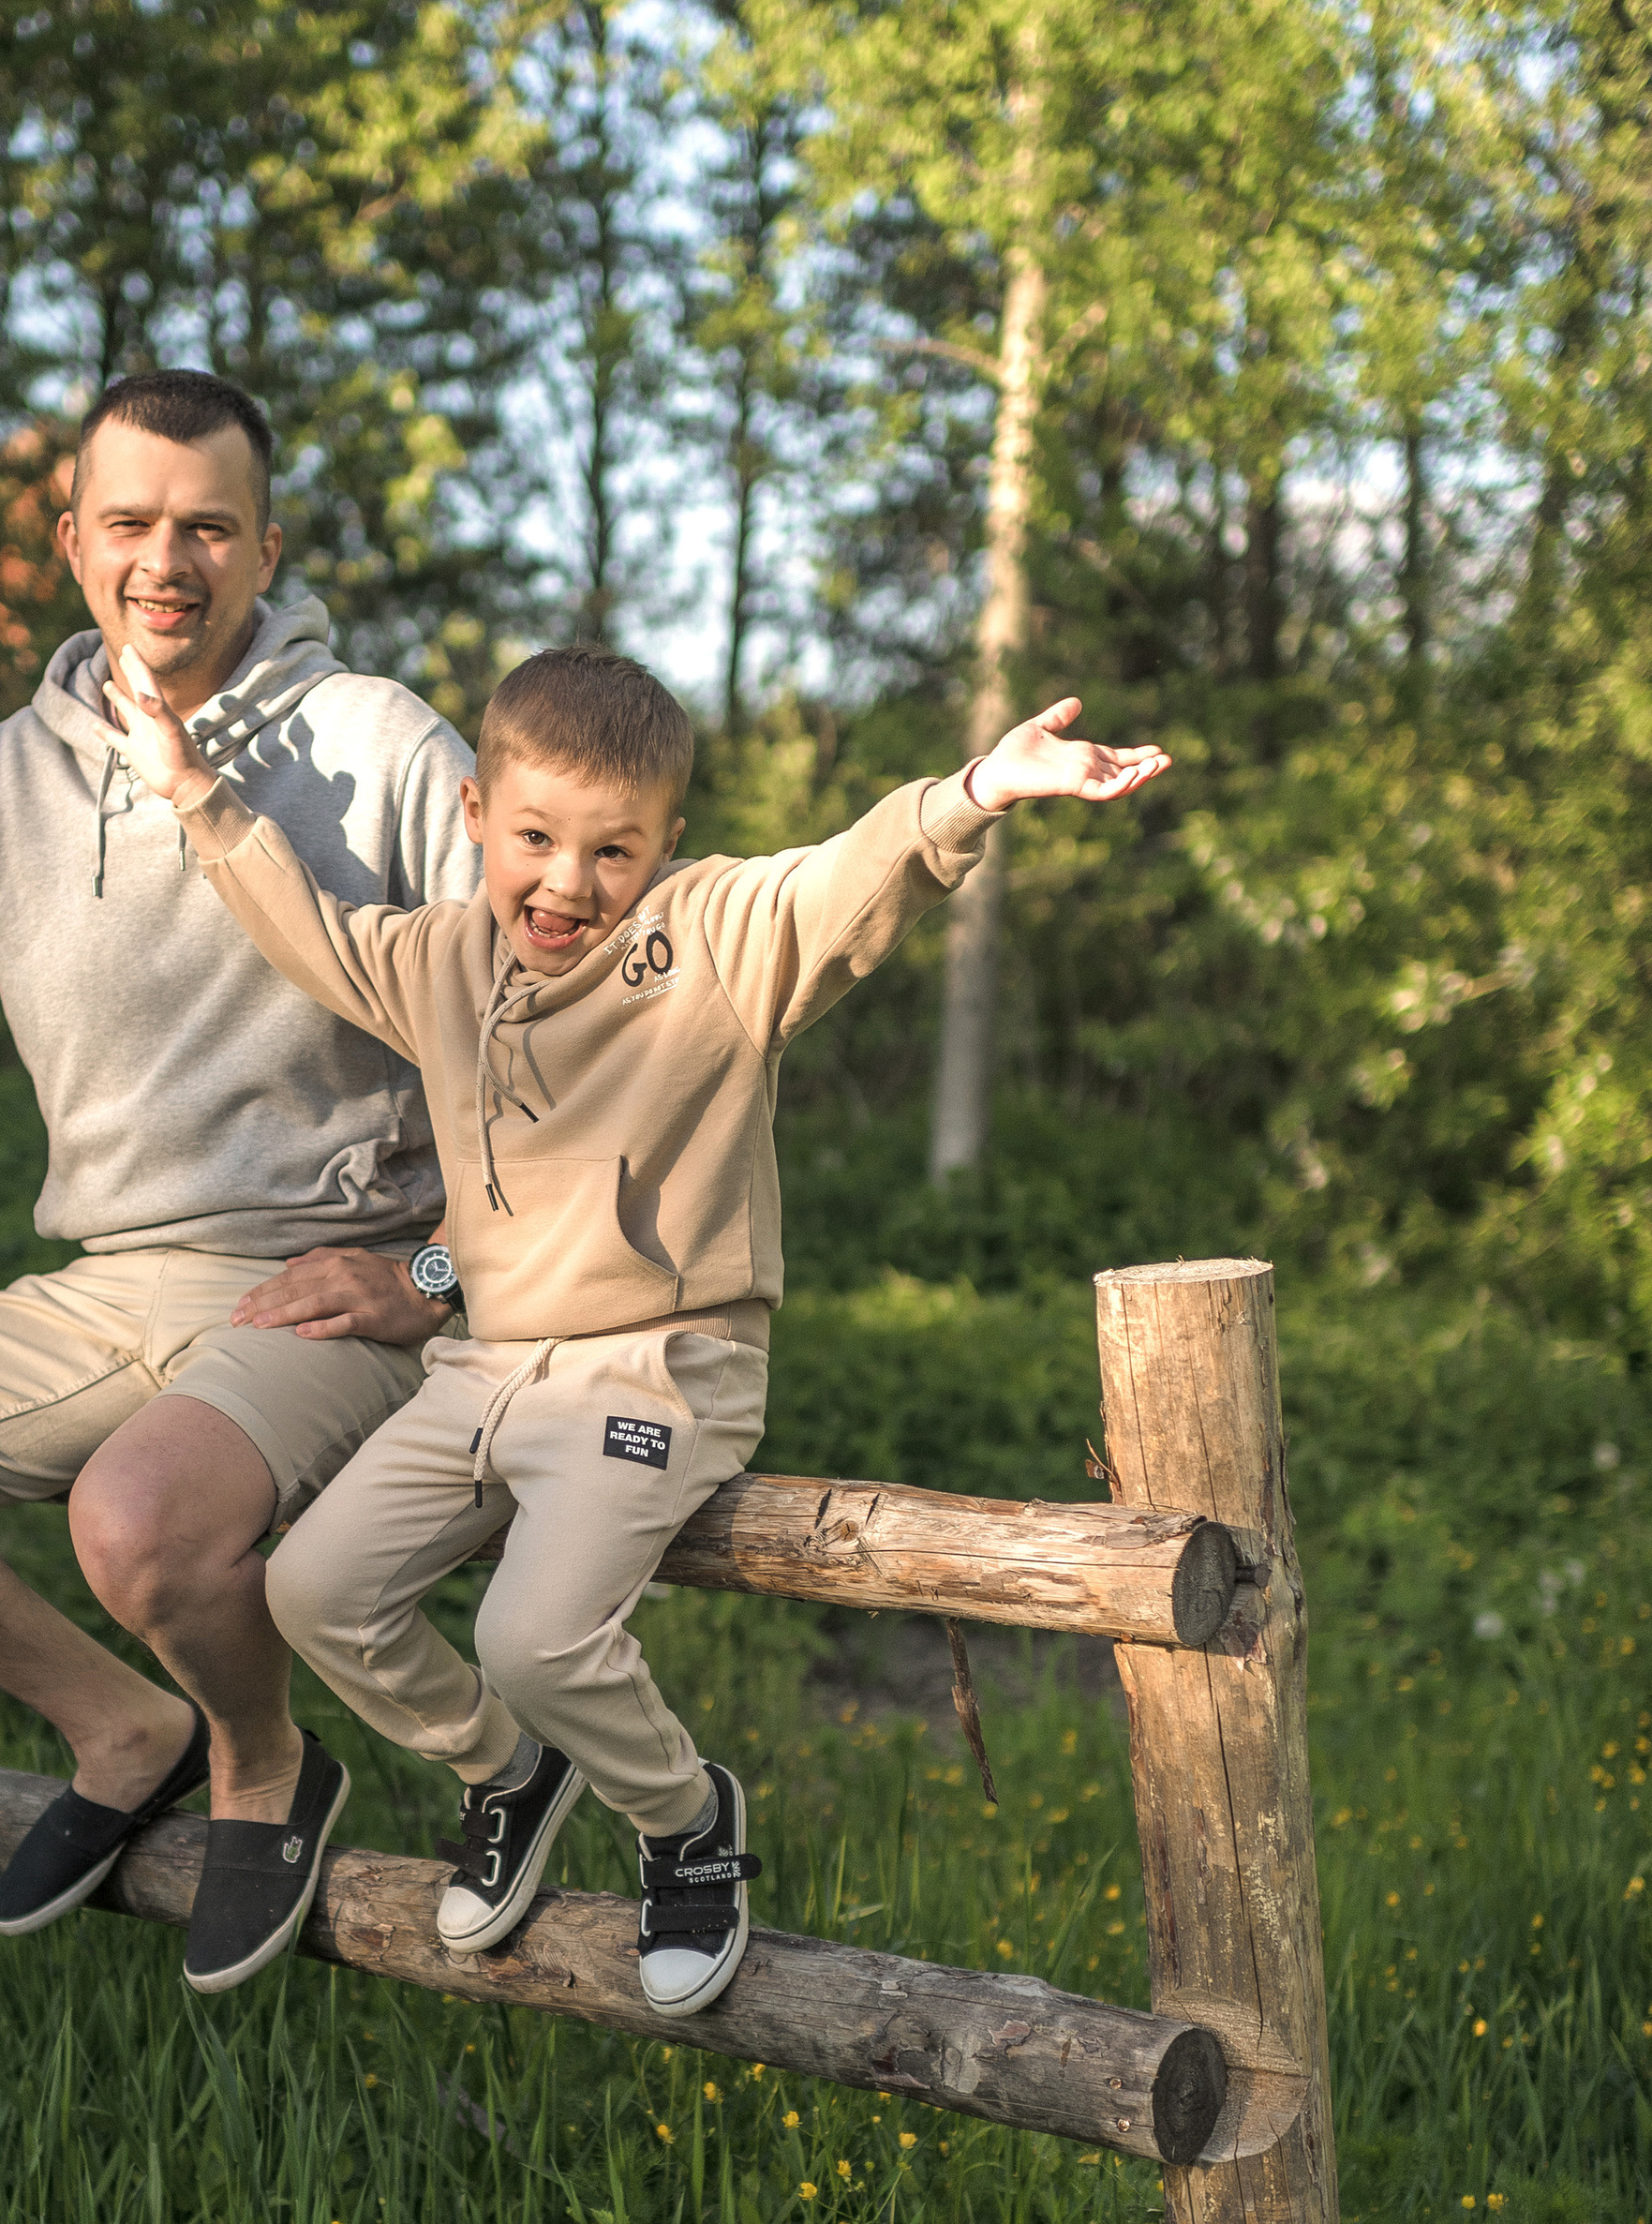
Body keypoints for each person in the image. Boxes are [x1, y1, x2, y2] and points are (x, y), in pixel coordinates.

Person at [104, 638, 1167, 2017]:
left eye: (614, 851)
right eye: (536, 839)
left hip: (660, 1367)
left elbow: (843, 878)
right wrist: (195, 793)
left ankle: (685, 1821)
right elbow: (312, 931)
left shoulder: (714, 937)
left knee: (533, 1638)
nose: (568, 884)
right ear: (477, 811)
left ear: (668, 841)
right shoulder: (442, 959)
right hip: (480, 1367)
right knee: (313, 1592)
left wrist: (974, 792)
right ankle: (508, 1770)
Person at [0, 371, 480, 1995]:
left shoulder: (381, 744)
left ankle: (262, 1759)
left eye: (208, 526)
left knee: (136, 1522)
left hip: (331, 1279)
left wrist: (438, 1273)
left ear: (266, 548)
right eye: (129, 522)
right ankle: (122, 1727)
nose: (166, 561)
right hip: (105, 1285)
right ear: (71, 543)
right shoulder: (0, 787)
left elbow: (546, 1039)